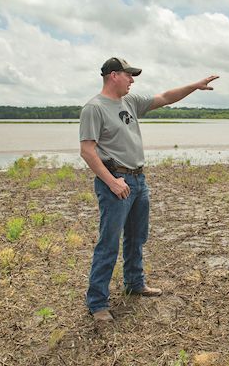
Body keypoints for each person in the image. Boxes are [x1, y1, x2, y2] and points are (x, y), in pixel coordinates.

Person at [79, 57, 218, 323]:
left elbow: (165, 97)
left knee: (137, 236)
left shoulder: (129, 102)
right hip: (116, 182)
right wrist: (112, 181)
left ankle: (134, 283)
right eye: (128, 75)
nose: (132, 80)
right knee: (108, 244)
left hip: (138, 181)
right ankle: (97, 302)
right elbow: (87, 151)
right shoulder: (94, 108)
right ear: (112, 76)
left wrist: (195, 86)